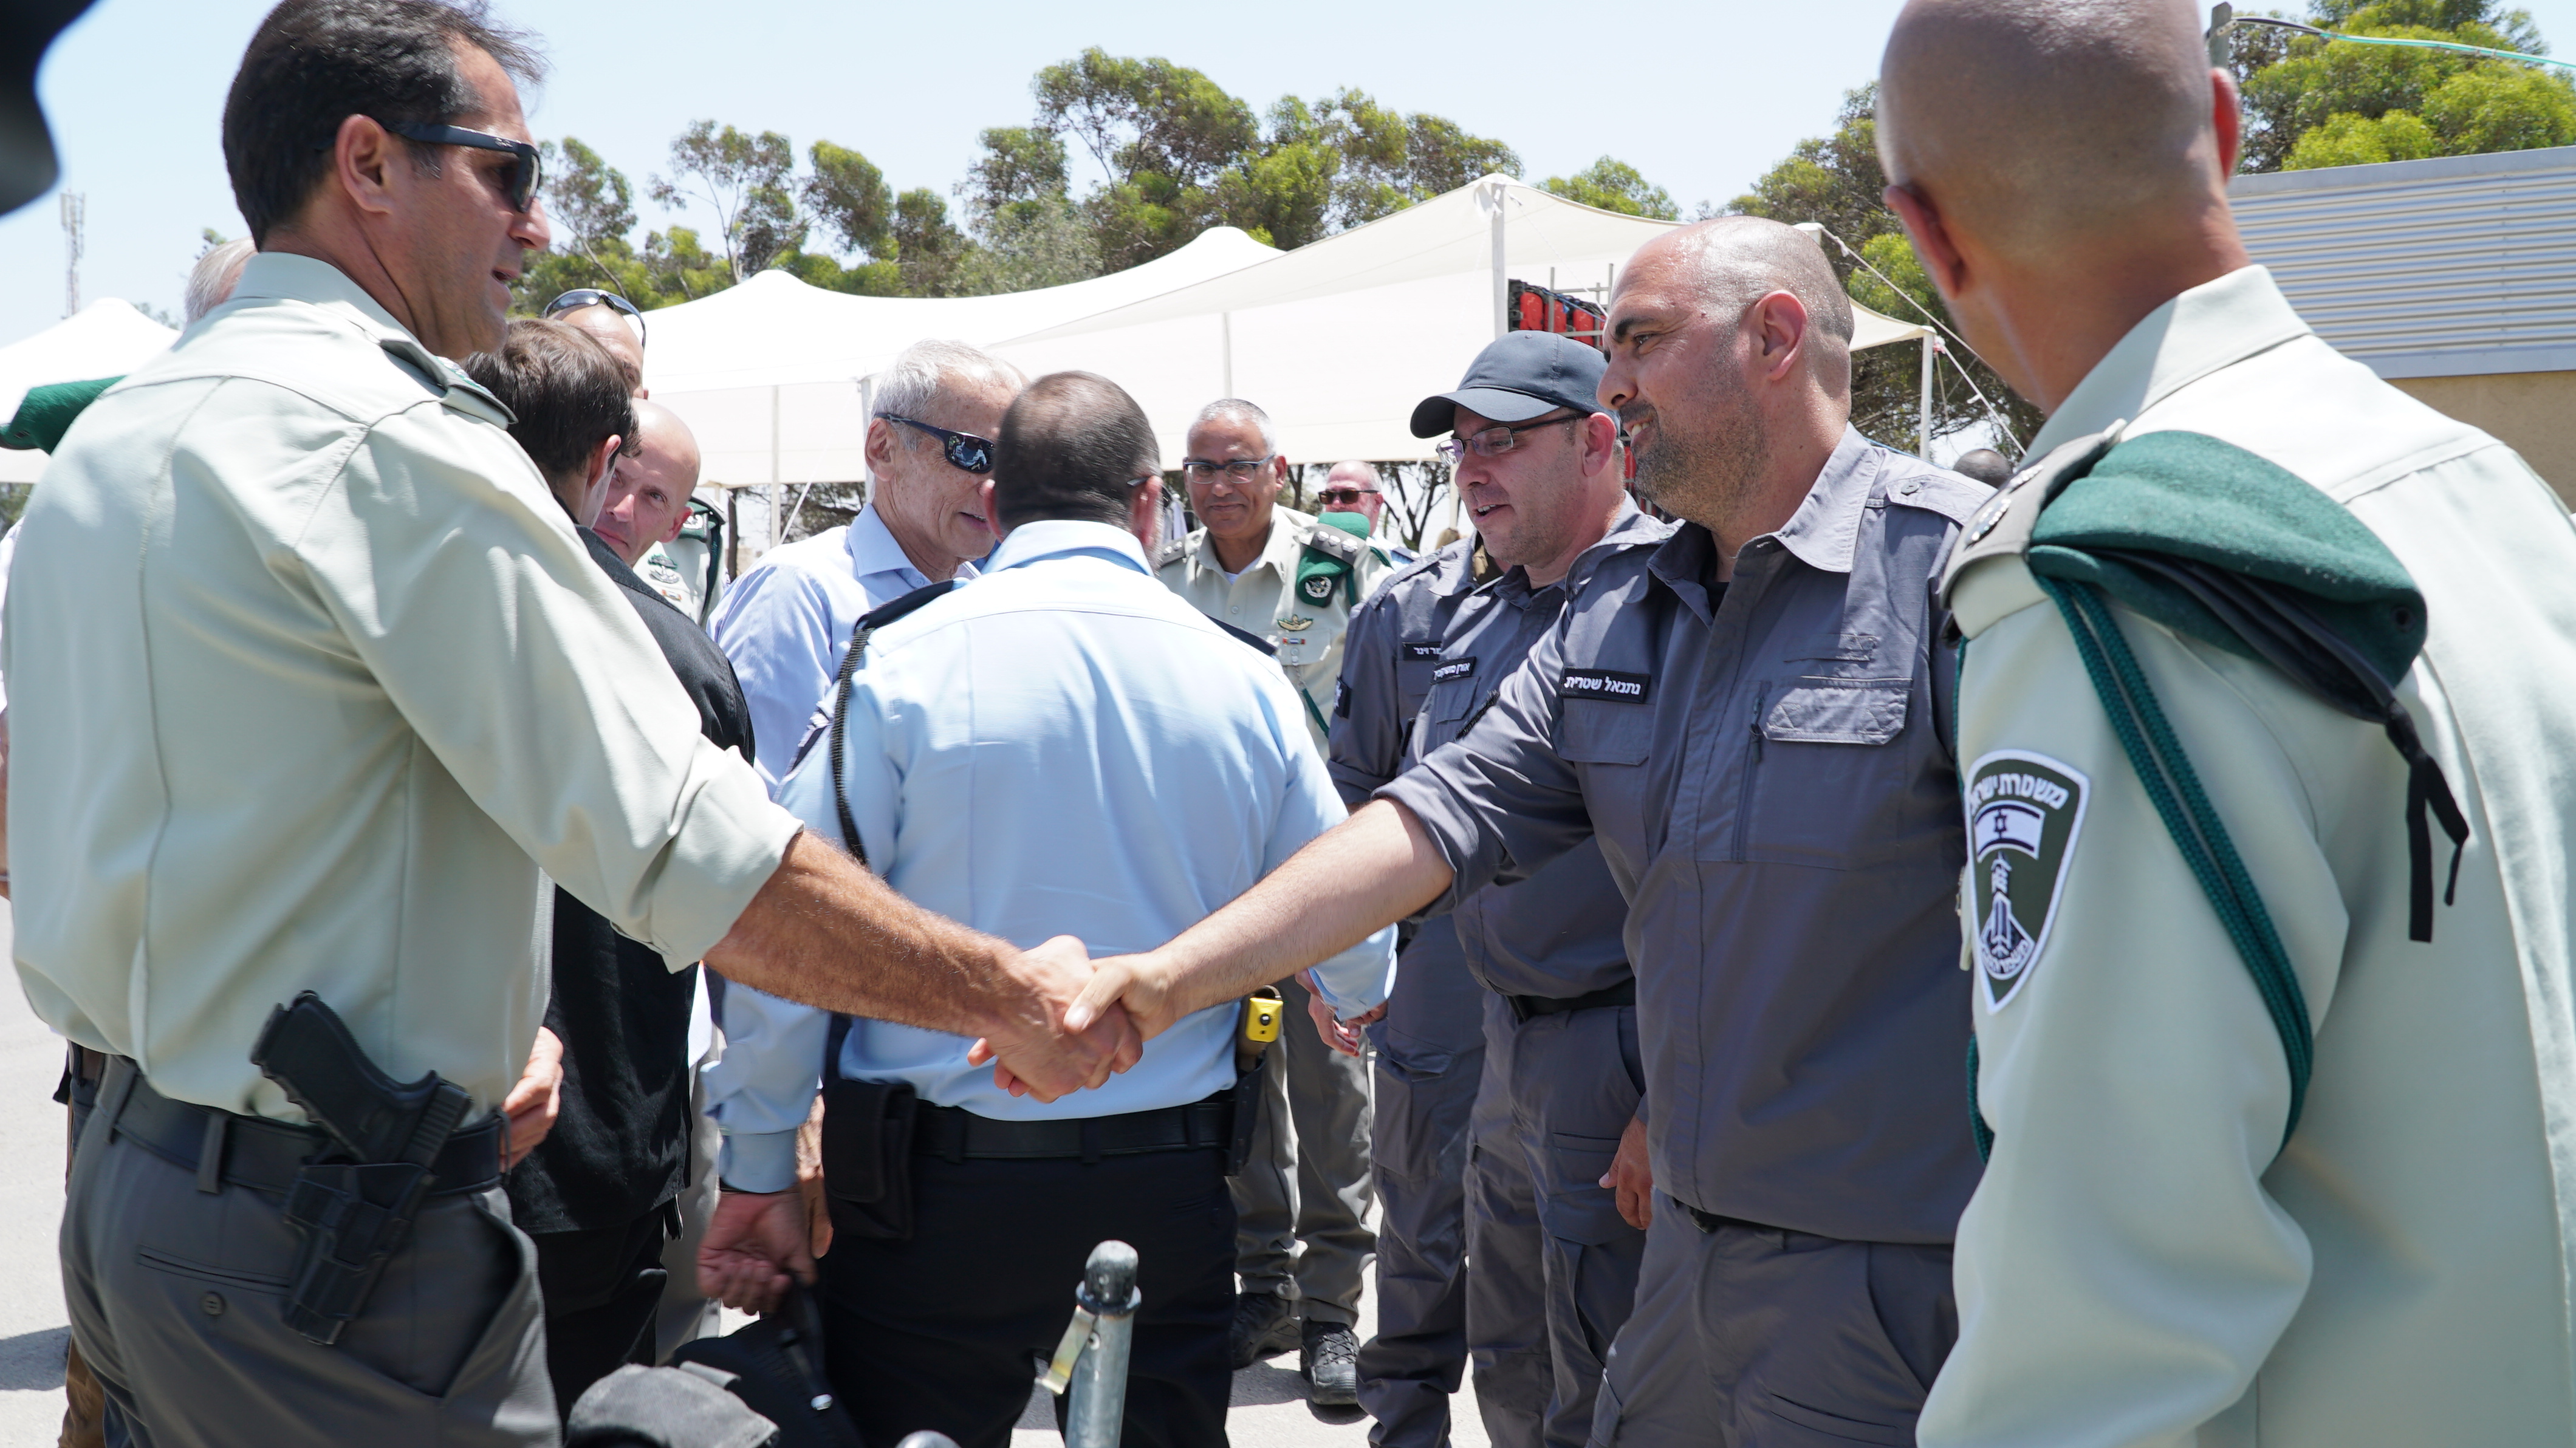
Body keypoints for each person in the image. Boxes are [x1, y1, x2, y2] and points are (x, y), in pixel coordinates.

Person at [12, 6, 1130, 1443]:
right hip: (327, 1243)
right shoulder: (389, 440)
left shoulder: (119, 437)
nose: (535, 227)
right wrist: (1008, 999)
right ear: (367, 163)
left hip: (143, 1192)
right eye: (508, 174)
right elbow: (690, 849)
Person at [1065, 216, 1995, 1447]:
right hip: (1682, 1253)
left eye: (1640, 341)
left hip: (1883, 1272)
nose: (1613, 383)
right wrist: (1166, 977)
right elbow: (1428, 815)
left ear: (1774, 337)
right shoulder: (1623, 611)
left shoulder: (1959, 575)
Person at [1875, 1, 2576, 1443]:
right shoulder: (2487, 490)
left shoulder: (2116, 582)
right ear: (2220, 124)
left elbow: (2096, 1335)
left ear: (1926, 234)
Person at [699, 371, 1397, 1448]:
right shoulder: (1245, 677)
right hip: (1166, 1180)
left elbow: (794, 924)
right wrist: (1350, 996)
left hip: (927, 1196)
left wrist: (758, 1163)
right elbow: (1341, 904)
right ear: (1151, 501)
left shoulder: (896, 661)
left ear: (997, 500)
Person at [1326, 330, 1665, 1448]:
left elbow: (1727, 887)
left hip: (1615, 1046)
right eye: (1462, 445)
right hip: (1486, 1026)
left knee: (1608, 1362)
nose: (1473, 469)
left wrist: (1664, 1096)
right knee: (1498, 1333)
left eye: (1504, 441)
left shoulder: (1679, 602)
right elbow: (1386, 799)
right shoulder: (1466, 614)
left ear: (1599, 441)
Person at [464, 319, 756, 1416]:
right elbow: (745, 899)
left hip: (405, 1143)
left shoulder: (384, 616)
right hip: (598, 1159)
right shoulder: (675, 654)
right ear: (601, 461)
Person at [1157, 397, 1391, 1397]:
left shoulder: (1342, 569)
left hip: (1324, 875)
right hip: (1218, 884)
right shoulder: (1161, 579)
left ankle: (1334, 1309)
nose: (1220, 484)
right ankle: (1269, 1288)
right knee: (1242, 1091)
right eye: (1203, 467)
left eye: (1240, 464)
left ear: (1279, 471)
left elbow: (1389, 705)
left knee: (1333, 1096)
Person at [709, 338, 1023, 788]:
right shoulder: (797, 592)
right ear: (883, 449)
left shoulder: (987, 601)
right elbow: (764, 805)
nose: (995, 486)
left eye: (1014, 465)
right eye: (973, 454)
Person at [598, 400, 704, 609]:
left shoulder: (663, 628)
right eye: (614, 476)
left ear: (675, 525)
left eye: (655, 497)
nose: (623, 511)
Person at [1319, 460, 1416, 564]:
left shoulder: (1406, 567)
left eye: (1349, 495)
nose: (1336, 503)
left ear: (1377, 502)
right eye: (1329, 495)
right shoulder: (1308, 557)